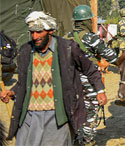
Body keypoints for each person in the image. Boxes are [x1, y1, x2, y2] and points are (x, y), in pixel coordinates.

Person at [0, 11, 107, 146]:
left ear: (50, 30)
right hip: (30, 115)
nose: (35, 36)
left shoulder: (67, 48)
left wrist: (100, 91)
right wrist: (12, 92)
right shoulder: (25, 51)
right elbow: (24, 83)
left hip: (57, 116)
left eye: (39, 32)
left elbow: (90, 70)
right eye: (32, 32)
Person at [69, 5, 118, 146]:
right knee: (90, 111)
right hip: (89, 81)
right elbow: (111, 56)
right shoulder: (91, 38)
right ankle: (88, 140)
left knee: (74, 110)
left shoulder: (66, 37)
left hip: (69, 81)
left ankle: (74, 139)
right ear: (86, 21)